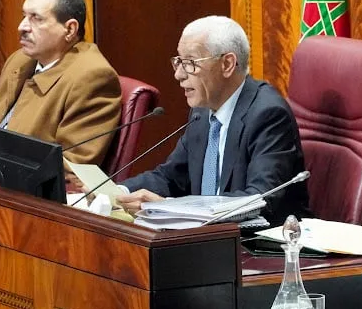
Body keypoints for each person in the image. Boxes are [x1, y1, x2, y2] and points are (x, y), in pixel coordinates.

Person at [116, 15, 310, 225]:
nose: (179, 75)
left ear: (227, 64)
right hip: (209, 237)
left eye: (190, 63)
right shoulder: (202, 112)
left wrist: (172, 208)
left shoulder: (268, 114)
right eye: (178, 62)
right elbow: (171, 177)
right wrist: (117, 192)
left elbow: (259, 199)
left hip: (261, 240)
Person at [0, 0, 121, 165]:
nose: (22, 27)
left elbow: (73, 166)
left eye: (36, 18)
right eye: (24, 16)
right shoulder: (20, 60)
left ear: (70, 29)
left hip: (17, 183)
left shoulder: (92, 77)